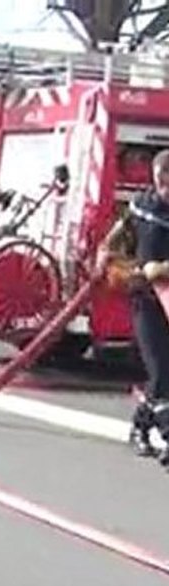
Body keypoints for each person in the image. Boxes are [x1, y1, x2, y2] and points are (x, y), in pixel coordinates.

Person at [115, 149, 169, 461]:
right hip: (147, 302)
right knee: (161, 372)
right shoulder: (146, 211)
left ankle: (139, 427)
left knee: (165, 374)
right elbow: (149, 266)